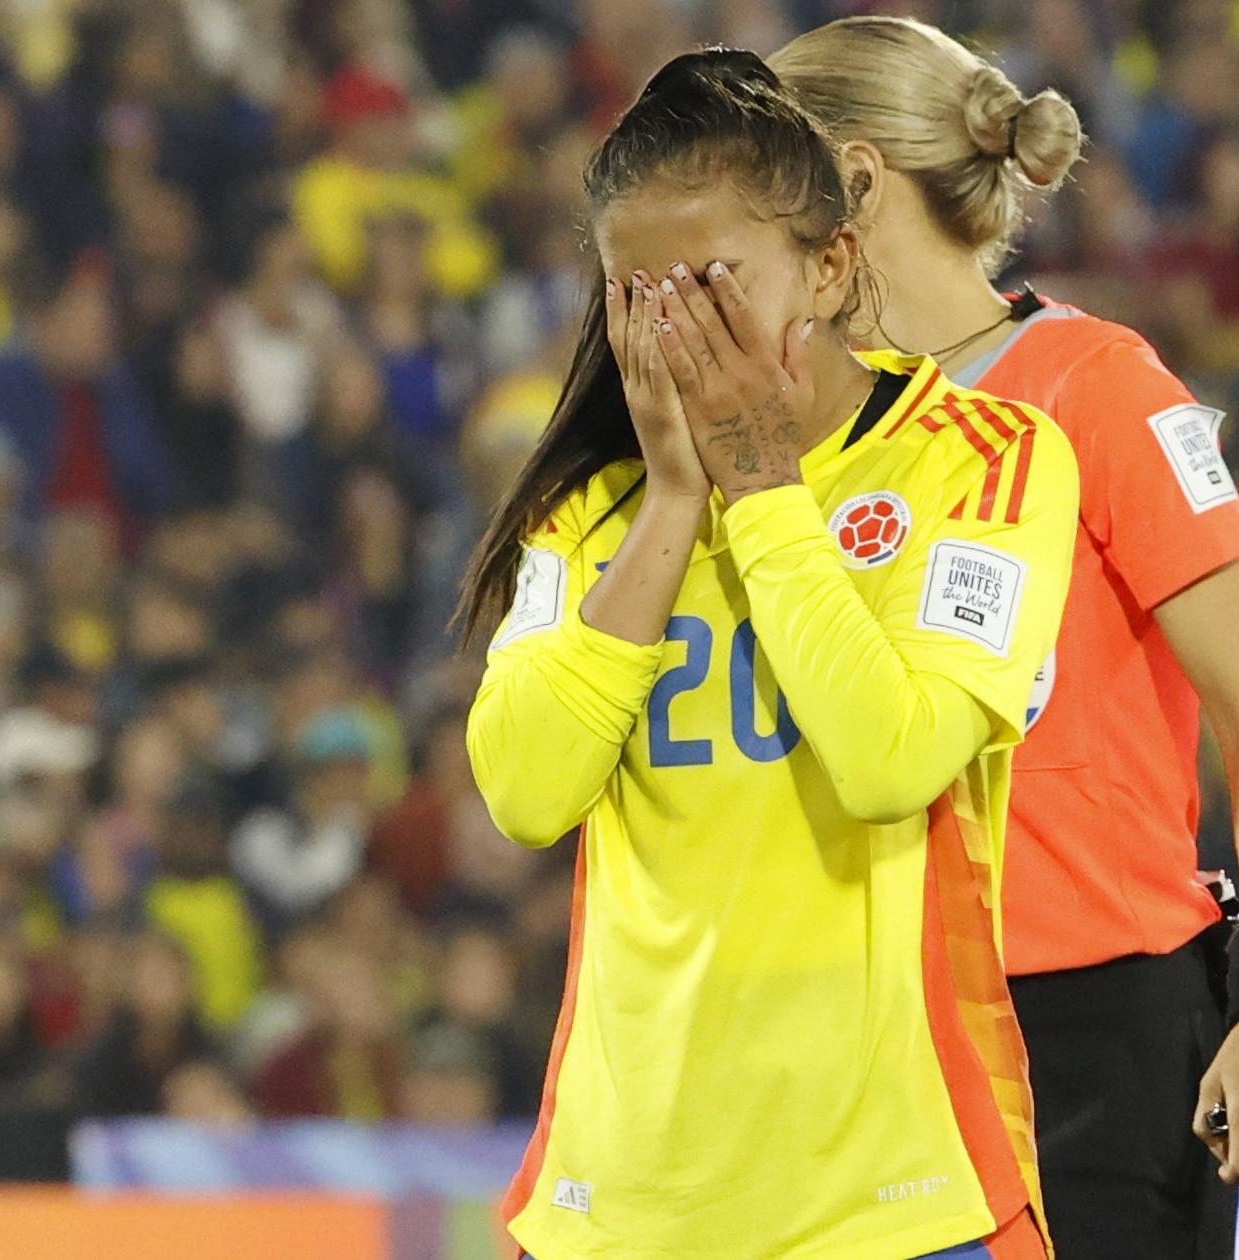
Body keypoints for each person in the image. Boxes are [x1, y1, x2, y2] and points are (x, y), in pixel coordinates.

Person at [454, 50, 1077, 1260]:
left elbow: (894, 758)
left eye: (714, 282)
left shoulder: (982, 464)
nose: (678, 324)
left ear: (832, 265)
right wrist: (677, 501)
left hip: (898, 1203)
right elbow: (524, 797)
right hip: (619, 1209)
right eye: (641, 293)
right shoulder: (590, 515)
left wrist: (759, 488)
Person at [773, 19, 1239, 1258]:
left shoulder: (1099, 385)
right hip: (862, 1027)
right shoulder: (791, 427)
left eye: (773, 183)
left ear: (853, 181)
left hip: (1091, 1031)